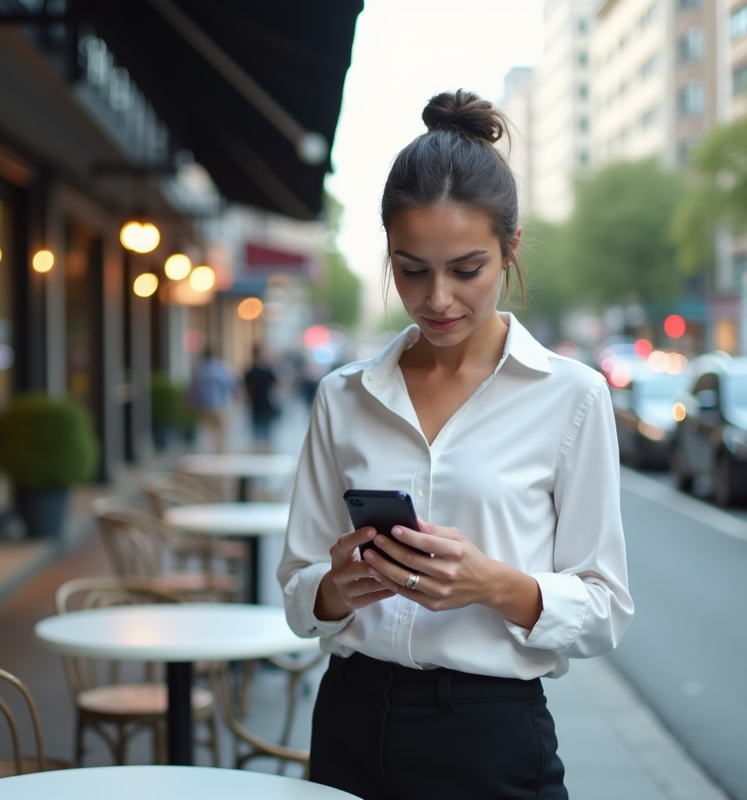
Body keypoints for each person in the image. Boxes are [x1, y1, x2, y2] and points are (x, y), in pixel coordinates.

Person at [278, 91, 633, 800]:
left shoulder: (572, 396)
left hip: (489, 732)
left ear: (510, 249)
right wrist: (331, 590)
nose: (437, 298)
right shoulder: (344, 396)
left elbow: (605, 610)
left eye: (466, 269)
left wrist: (492, 585)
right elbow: (295, 592)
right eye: (412, 270)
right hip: (350, 719)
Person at [188, 346, 240, 454]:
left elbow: (194, 389)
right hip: (221, 405)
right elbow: (232, 384)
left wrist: (192, 403)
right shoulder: (221, 368)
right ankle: (220, 452)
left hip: (205, 406)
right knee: (222, 432)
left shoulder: (199, 369)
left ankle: (213, 453)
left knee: (209, 432)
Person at [243, 346, 280, 443]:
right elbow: (276, 386)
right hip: (266, 403)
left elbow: (247, 388)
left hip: (257, 403)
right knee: (267, 429)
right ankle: (266, 446)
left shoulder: (251, 372)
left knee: (257, 430)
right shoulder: (267, 372)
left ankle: (259, 446)